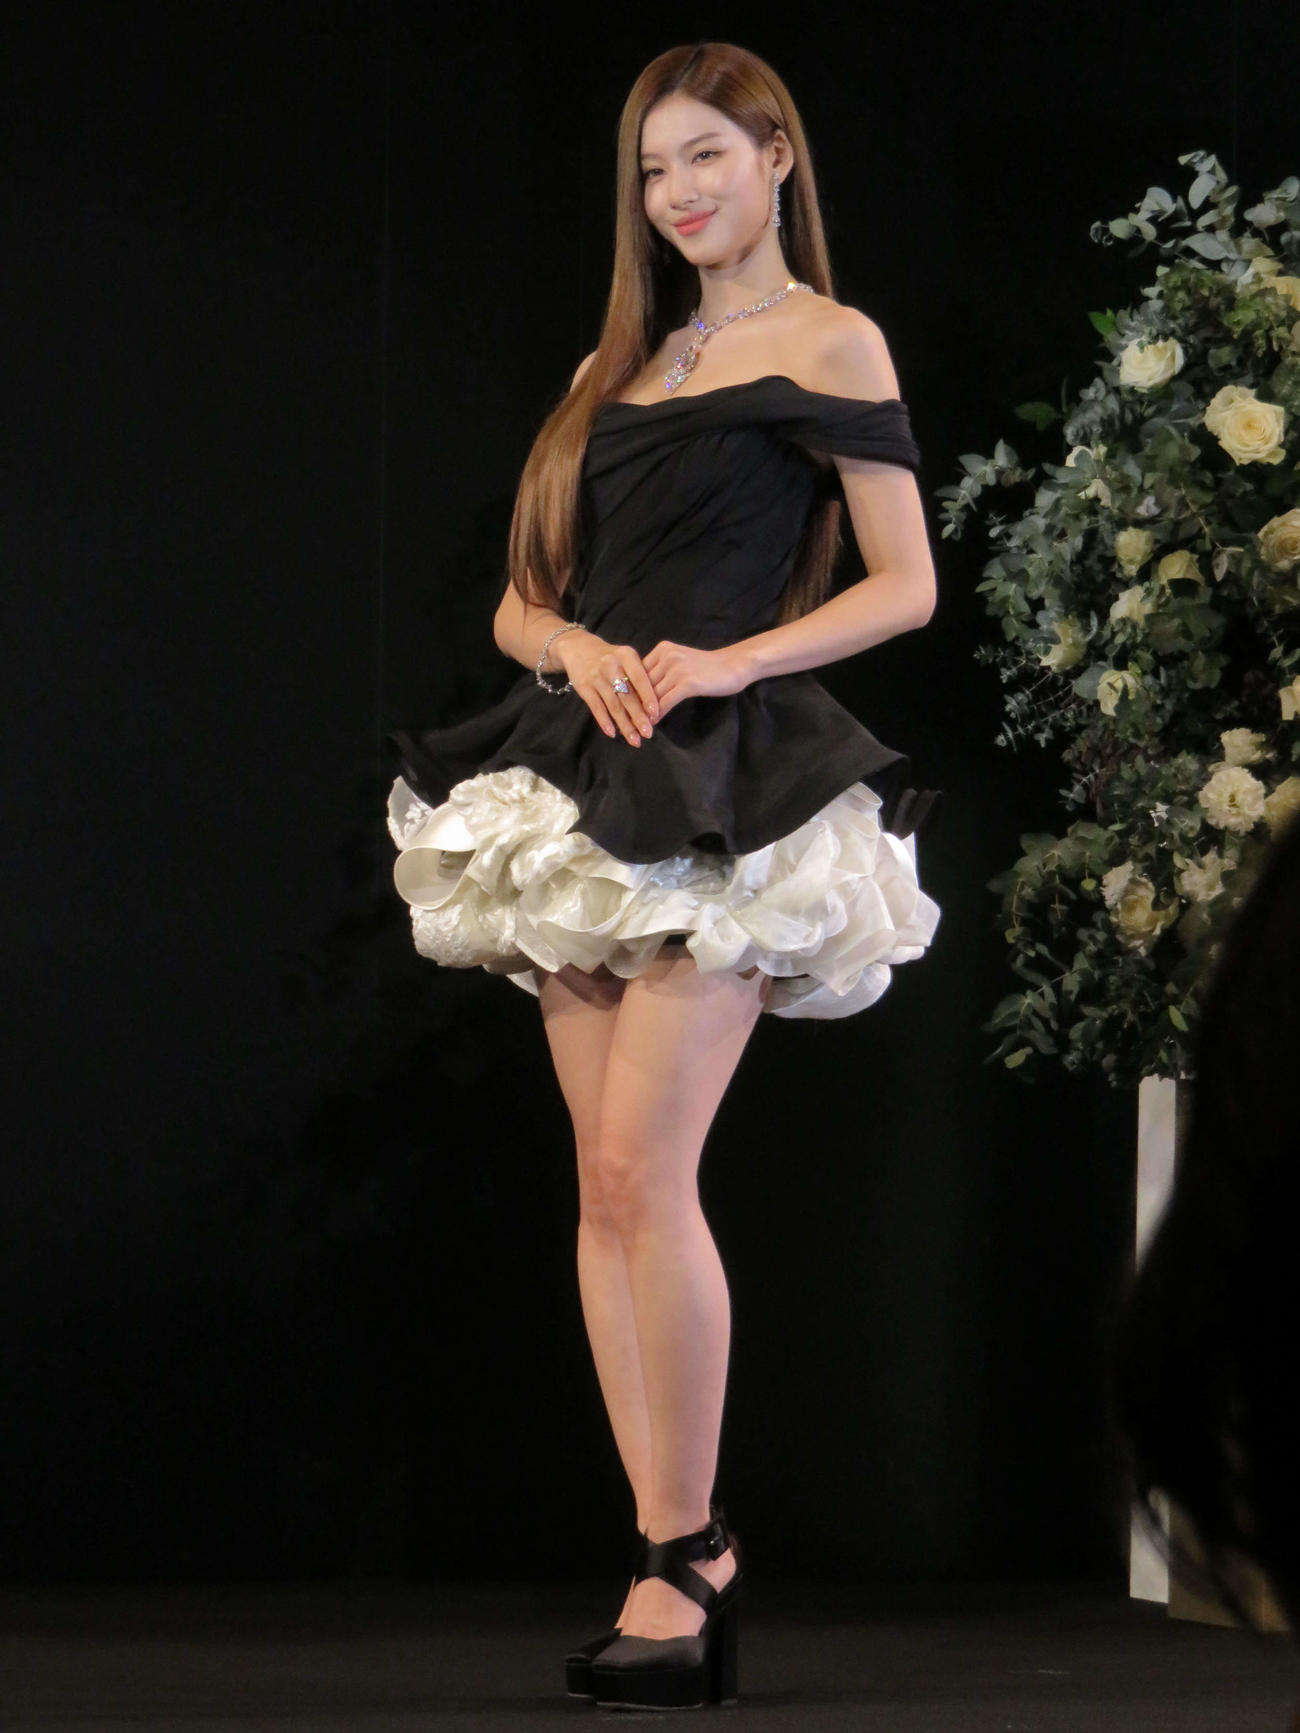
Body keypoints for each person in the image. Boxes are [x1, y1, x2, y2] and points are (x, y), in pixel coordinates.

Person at [385, 41, 943, 1712]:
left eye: (706, 154)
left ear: (776, 158)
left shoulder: (830, 339)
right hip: (584, 772)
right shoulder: (612, 363)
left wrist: (729, 658)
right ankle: (668, 1549)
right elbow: (524, 598)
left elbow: (906, 584)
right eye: (651, 168)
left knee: (646, 1163)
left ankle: (685, 1553)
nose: (677, 191)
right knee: (603, 1189)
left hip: (727, 783)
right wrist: (568, 646)